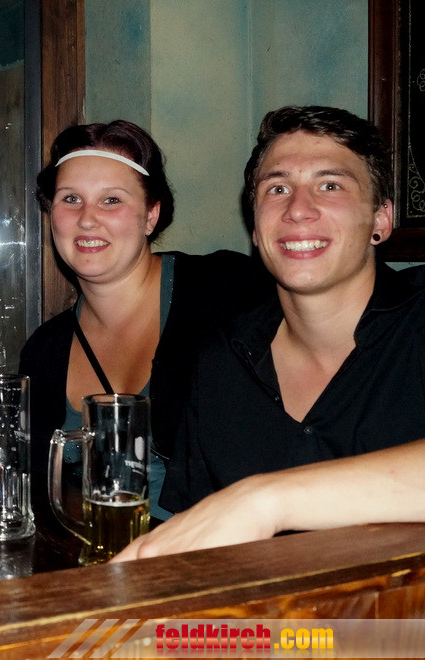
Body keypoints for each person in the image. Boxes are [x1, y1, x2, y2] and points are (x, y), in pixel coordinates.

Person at [114, 105, 425, 561]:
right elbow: (196, 546)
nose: (298, 209)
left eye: (330, 185)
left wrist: (266, 501)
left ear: (381, 219)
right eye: (277, 189)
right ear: (256, 227)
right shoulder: (219, 361)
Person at [18, 120, 271, 521]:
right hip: (97, 550)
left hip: (220, 550)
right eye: (71, 199)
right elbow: (34, 482)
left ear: (151, 215)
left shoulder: (226, 292)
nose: (87, 219)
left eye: (111, 200)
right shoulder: (45, 350)